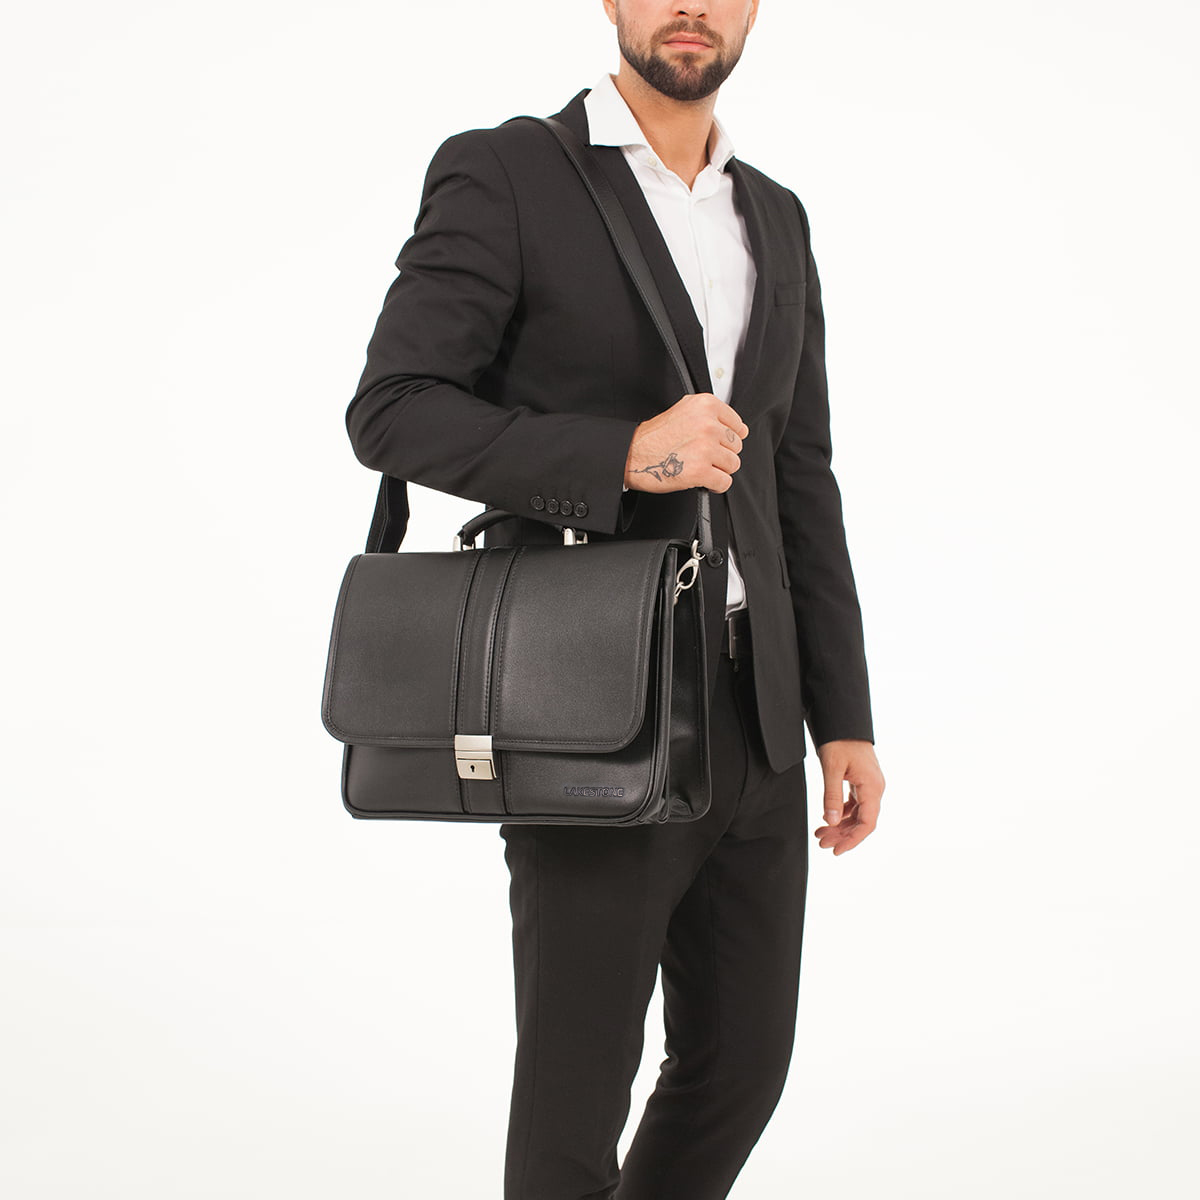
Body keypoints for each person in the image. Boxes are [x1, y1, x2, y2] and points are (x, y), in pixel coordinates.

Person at [345, 2, 886, 1195]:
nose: (689, 7)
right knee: (576, 1094)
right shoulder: (508, 172)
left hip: (758, 709)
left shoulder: (776, 215)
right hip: (594, 700)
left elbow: (799, 476)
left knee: (741, 1068)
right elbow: (393, 409)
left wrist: (842, 715)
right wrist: (624, 455)